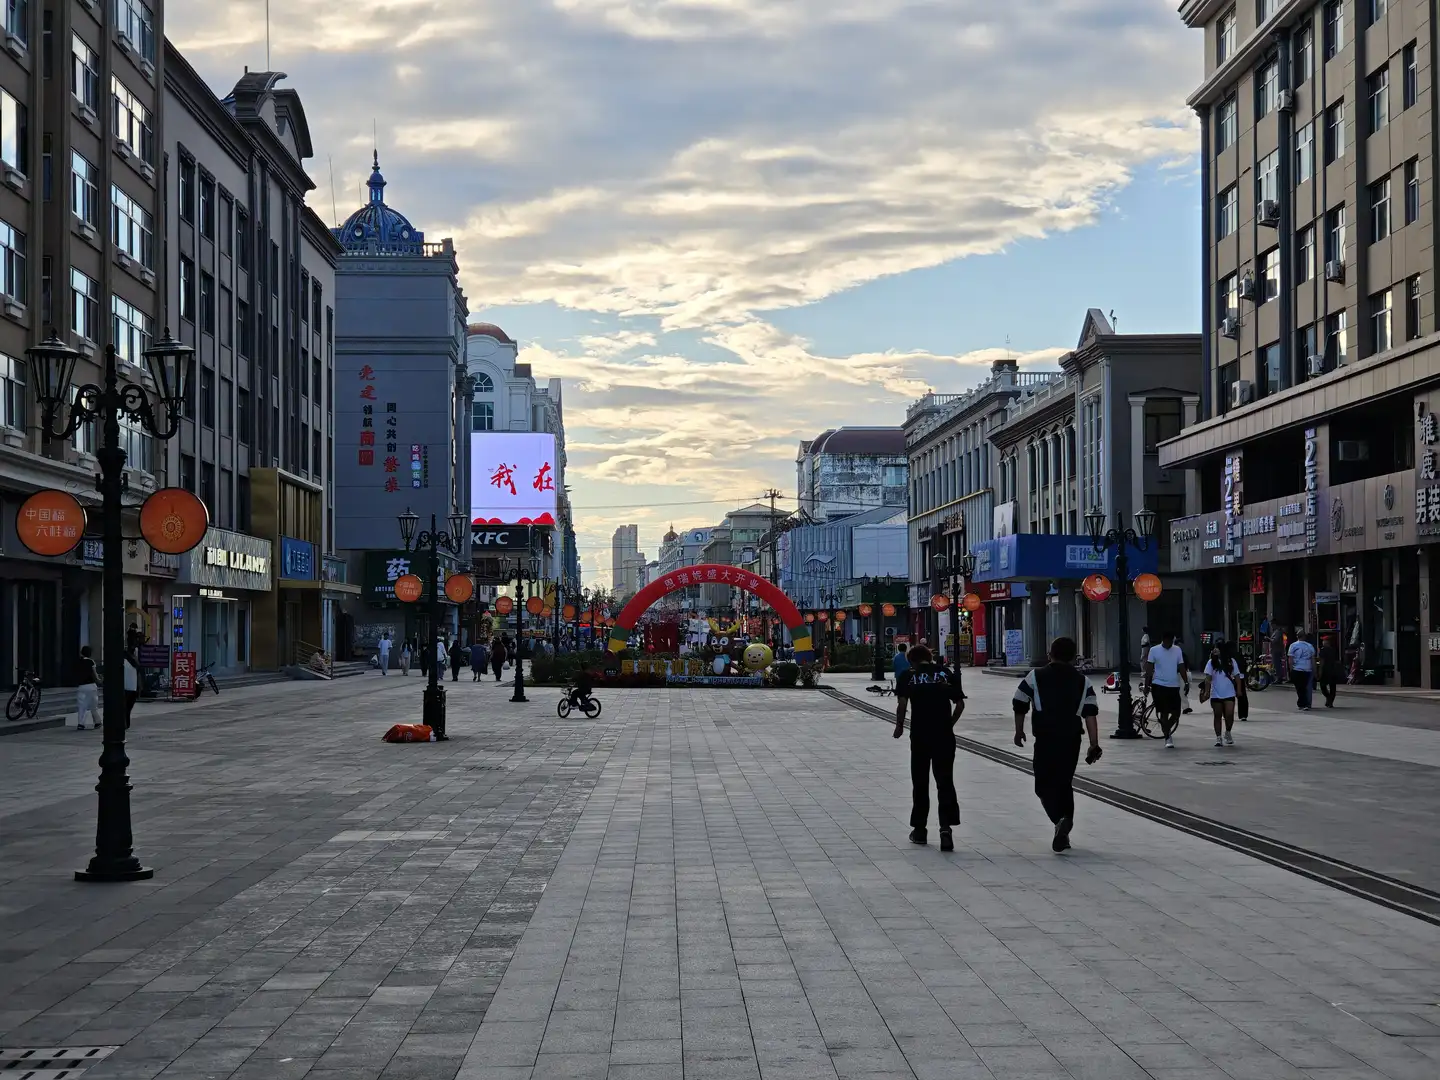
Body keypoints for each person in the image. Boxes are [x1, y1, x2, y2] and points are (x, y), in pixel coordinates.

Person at [1013, 637, 1101, 852]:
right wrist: (1094, 743)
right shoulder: (1082, 681)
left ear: (1049, 653)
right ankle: (1065, 827)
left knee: (1042, 785)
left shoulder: (1036, 676)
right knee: (1064, 783)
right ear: (1072, 657)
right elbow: (1090, 713)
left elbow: (1019, 703)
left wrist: (1019, 731)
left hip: (1045, 738)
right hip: (1071, 738)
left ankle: (1059, 821)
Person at [892, 646, 964, 851]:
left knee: (920, 782)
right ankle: (945, 828)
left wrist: (899, 726)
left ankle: (920, 830)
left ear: (912, 660)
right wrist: (949, 724)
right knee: (945, 781)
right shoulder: (945, 673)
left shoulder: (908, 675)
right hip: (944, 736)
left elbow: (903, 704)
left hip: (920, 736)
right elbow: (960, 705)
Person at [1142, 629, 1188, 748]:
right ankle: (1167, 736)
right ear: (1163, 640)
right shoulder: (1154, 650)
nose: (1169, 644)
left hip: (1174, 685)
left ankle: (1166, 727)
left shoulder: (1177, 650)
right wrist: (1147, 685)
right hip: (1159, 685)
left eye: (1171, 642)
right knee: (1164, 712)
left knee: (1176, 712)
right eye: (1168, 641)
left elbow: (1181, 666)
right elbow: (1149, 670)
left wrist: (1186, 681)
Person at [1202, 644, 1241, 746]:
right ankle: (1218, 737)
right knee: (1217, 715)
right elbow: (1208, 678)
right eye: (1214, 649)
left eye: (1217, 649)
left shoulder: (1231, 661)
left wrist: (1239, 689)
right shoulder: (1211, 662)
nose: (1214, 650)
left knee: (1229, 715)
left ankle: (1228, 732)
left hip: (1229, 692)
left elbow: (1237, 676)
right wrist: (1206, 691)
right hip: (1216, 693)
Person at [1287, 631, 1317, 711]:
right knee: (1306, 687)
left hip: (1297, 669)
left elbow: (1291, 659)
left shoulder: (1293, 645)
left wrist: (1291, 670)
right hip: (1307, 669)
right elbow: (1313, 660)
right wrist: (1314, 670)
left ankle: (1303, 703)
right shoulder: (1310, 646)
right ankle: (1305, 703)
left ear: (1297, 636)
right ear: (1304, 637)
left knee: (1299, 687)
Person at [75, 646, 101, 731]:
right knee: (93, 706)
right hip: (91, 686)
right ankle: (97, 722)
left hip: (81, 686)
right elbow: (94, 674)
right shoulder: (91, 662)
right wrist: (99, 680)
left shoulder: (78, 662)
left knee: (82, 706)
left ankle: (81, 723)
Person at [1318, 634, 1341, 707]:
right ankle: (1330, 701)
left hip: (1325, 670)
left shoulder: (1323, 650)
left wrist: (1320, 671)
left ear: (1326, 642)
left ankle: (1328, 698)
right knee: (1332, 687)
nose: (1322, 642)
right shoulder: (1334, 650)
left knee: (1323, 686)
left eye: (1323, 640)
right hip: (1333, 670)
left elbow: (1322, 661)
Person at [123, 646, 140, 730]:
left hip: (125, 687)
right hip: (133, 688)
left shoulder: (123, 662)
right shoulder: (135, 663)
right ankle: (127, 723)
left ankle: (125, 723)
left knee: (123, 707)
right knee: (128, 708)